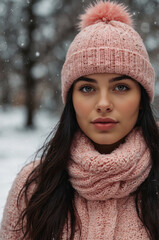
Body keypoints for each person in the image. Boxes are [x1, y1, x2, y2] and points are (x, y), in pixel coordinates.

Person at [0, 1, 159, 239]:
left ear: (142, 99)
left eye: (121, 87)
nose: (103, 103)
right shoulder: (35, 187)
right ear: (71, 99)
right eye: (87, 88)